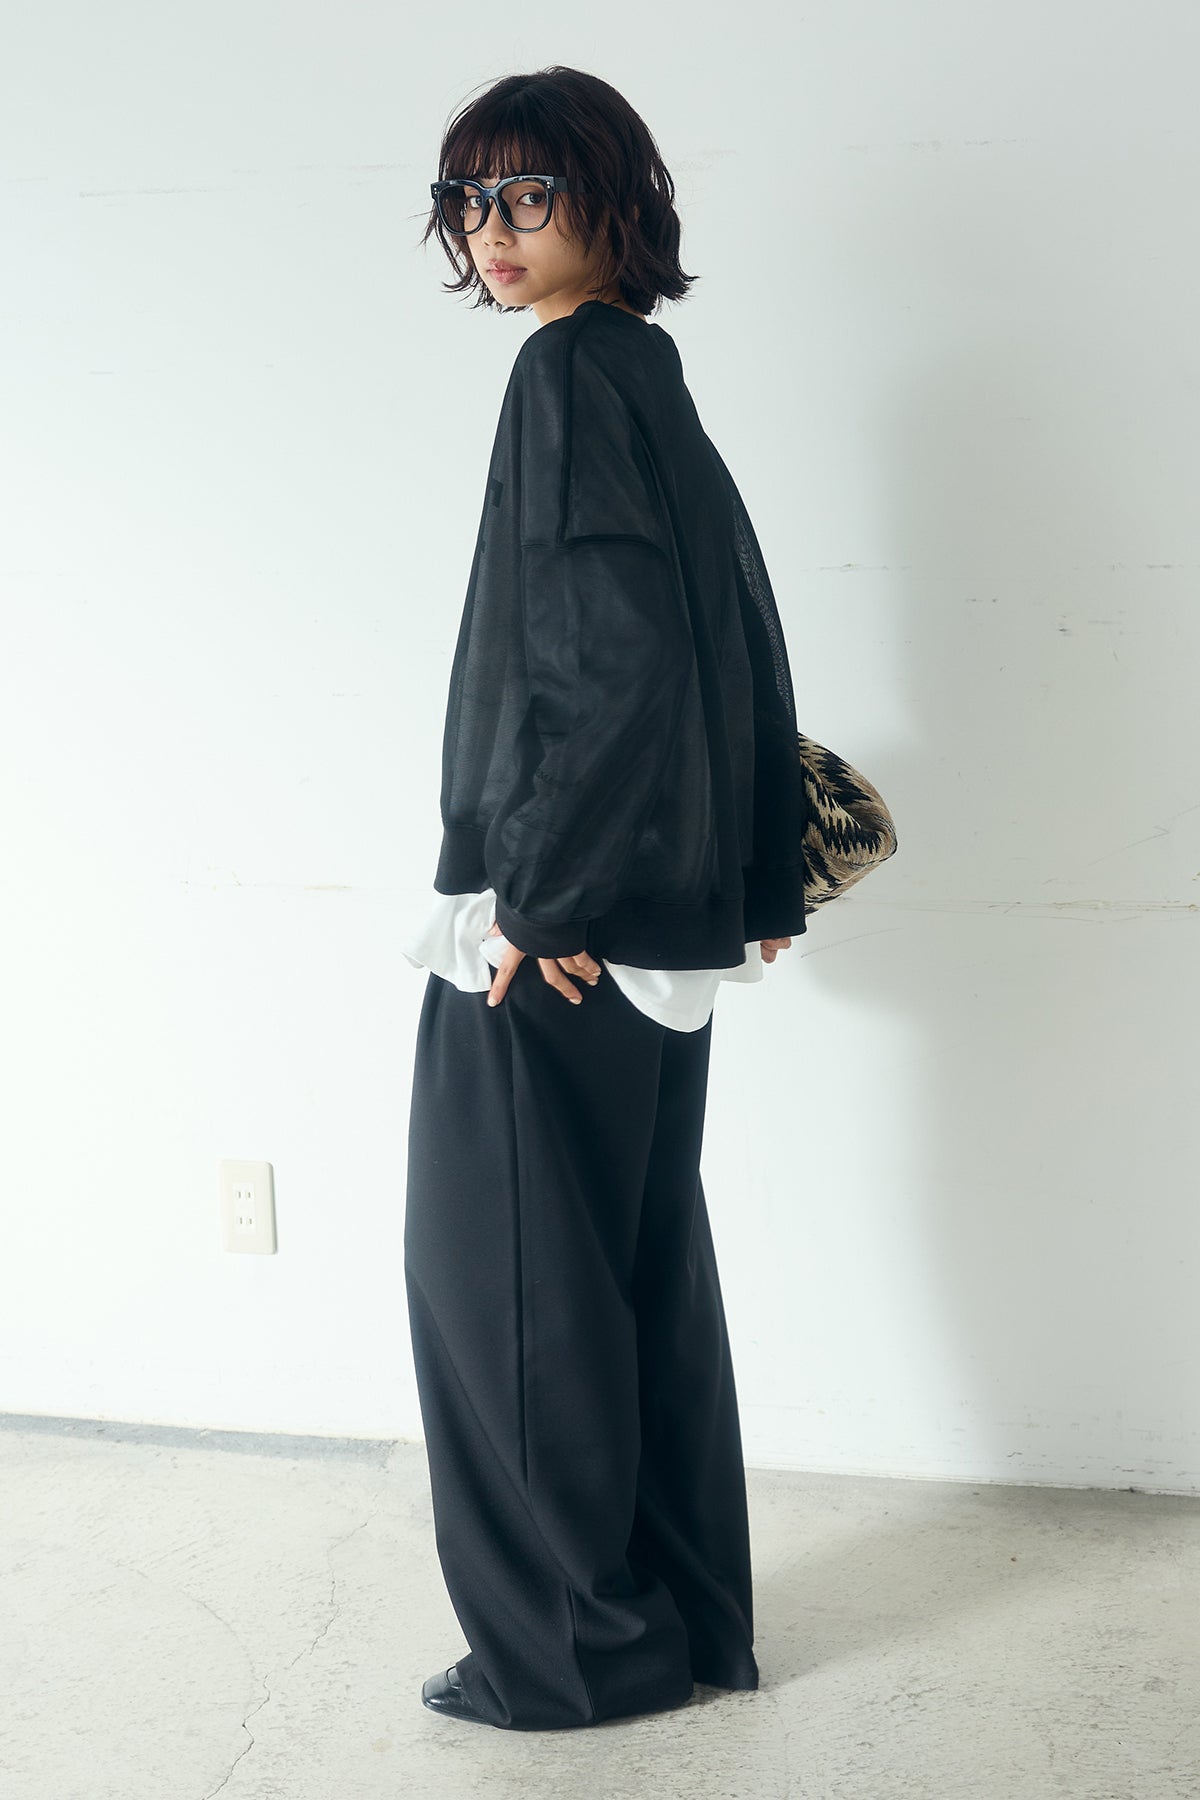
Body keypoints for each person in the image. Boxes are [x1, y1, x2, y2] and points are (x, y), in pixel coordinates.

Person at [402, 65, 810, 1732]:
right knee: (639, 1281)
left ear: (611, 198)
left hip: (565, 924)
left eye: (527, 193)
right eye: (468, 200)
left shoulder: (569, 372)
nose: (491, 232)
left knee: (509, 1297)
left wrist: (542, 907)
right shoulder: (647, 371)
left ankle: (571, 1653)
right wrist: (755, 871)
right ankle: (686, 1625)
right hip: (661, 922)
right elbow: (738, 636)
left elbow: (614, 659)